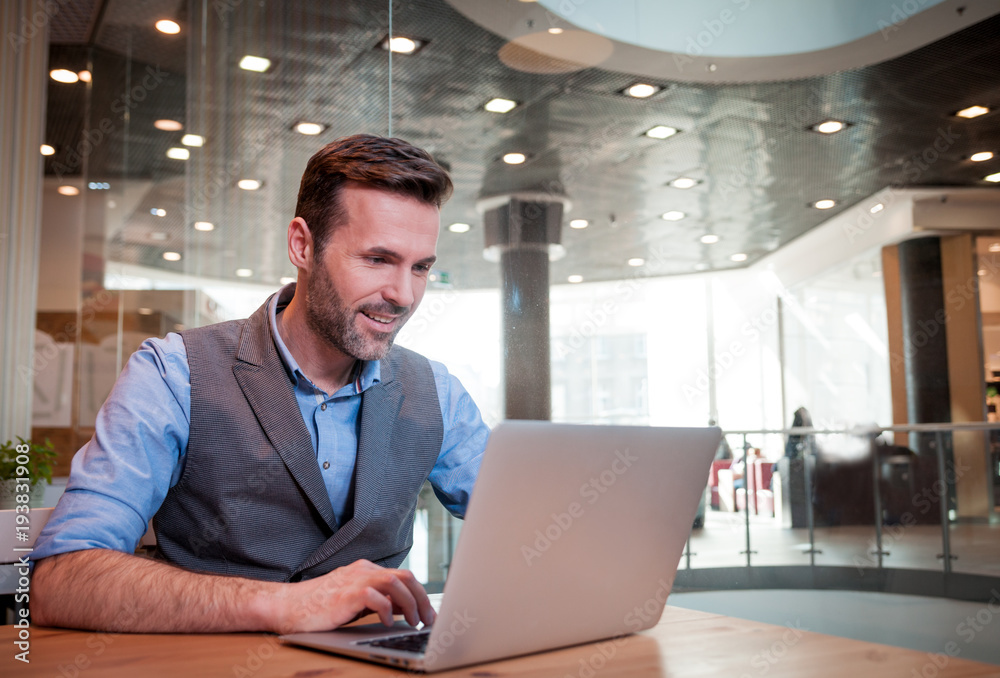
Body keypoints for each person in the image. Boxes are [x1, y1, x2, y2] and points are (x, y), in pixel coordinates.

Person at [30, 134, 490, 634]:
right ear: (303, 245)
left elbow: (538, 524)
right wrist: (286, 605)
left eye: (420, 267)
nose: (402, 295)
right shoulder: (173, 373)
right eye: (377, 259)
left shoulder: (437, 392)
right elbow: (60, 580)